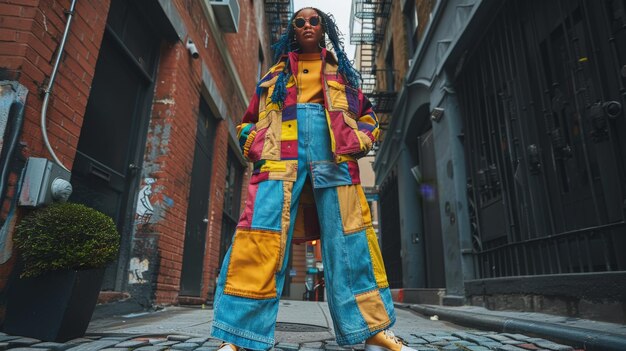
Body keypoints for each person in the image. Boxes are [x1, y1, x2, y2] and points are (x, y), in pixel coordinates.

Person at [211, 7, 415, 351]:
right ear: (293, 30)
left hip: (333, 155)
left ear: (324, 28)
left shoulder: (342, 74)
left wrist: (358, 141)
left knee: (350, 243)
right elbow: (247, 122)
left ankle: (373, 331)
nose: (307, 25)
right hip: (279, 157)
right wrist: (257, 142)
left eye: (314, 20)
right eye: (300, 21)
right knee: (261, 238)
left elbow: (367, 117)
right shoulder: (274, 75)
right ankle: (239, 337)